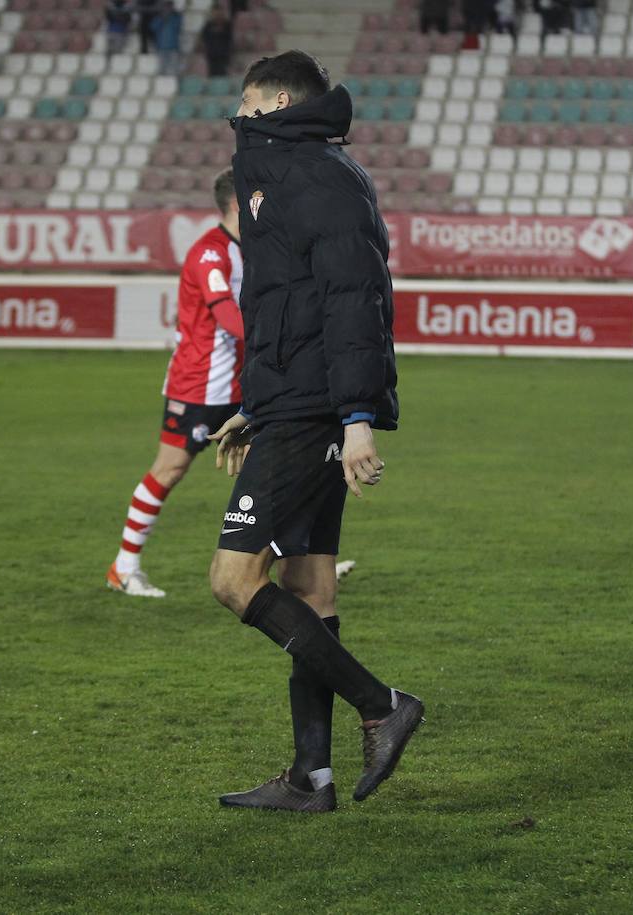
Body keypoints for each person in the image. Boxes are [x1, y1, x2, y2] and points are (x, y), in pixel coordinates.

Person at [208, 51, 421, 812]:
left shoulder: (316, 177)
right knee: (311, 587)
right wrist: (254, 406)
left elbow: (352, 303)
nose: (239, 116)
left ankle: (382, 702)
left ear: (275, 102)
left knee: (233, 581)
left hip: (314, 411)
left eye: (247, 104)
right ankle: (311, 778)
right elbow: (290, 309)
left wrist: (357, 418)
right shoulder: (296, 174)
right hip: (293, 404)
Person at [106, 170, 246, 597]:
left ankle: (308, 568)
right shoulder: (210, 253)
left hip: (241, 385)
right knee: (169, 469)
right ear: (240, 204)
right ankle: (124, 567)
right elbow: (228, 317)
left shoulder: (253, 248)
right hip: (198, 385)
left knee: (277, 469)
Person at [199, 8, 232, 77]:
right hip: (211, 55)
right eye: (216, 13)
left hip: (223, 56)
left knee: (222, 75)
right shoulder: (208, 25)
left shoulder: (227, 25)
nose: (218, 15)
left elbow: (230, 39)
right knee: (212, 75)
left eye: (220, 13)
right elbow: (204, 37)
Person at [152, 1, 183, 76]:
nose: (167, 9)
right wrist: (162, 19)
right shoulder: (159, 17)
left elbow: (177, 27)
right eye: (166, 7)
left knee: (174, 70)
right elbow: (153, 27)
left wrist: (169, 18)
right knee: (162, 70)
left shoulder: (176, 17)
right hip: (161, 47)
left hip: (173, 47)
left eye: (169, 7)